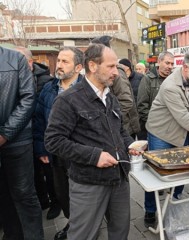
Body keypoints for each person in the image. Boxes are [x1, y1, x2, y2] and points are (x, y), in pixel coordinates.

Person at [44, 44, 136, 239]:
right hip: (88, 183)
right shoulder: (68, 100)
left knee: (120, 231)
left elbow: (119, 130)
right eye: (111, 67)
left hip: (119, 178)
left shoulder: (110, 96)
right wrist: (95, 156)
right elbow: (53, 141)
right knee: (84, 235)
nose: (116, 73)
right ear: (93, 66)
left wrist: (129, 144)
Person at [144, 48, 189, 228]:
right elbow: (182, 117)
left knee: (183, 171)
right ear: (185, 66)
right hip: (161, 133)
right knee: (156, 175)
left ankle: (173, 204)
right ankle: (150, 211)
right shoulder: (170, 86)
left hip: (180, 130)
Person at [34, 46, 85, 240]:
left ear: (78, 67)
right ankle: (73, 225)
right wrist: (41, 149)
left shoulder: (88, 89)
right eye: (59, 61)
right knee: (63, 195)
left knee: (83, 195)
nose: (59, 65)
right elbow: (39, 120)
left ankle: (87, 227)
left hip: (81, 153)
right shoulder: (49, 88)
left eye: (65, 62)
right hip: (56, 154)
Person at [0, 46, 44, 239]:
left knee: (24, 195)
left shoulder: (15, 59)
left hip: (17, 142)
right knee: (3, 198)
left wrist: (5, 134)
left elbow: (28, 99)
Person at [15, 46, 61, 220]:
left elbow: (44, 115)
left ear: (29, 62)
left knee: (49, 172)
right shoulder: (15, 78)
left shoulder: (46, 82)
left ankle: (55, 202)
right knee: (33, 173)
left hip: (42, 135)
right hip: (22, 135)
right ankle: (43, 201)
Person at [92, 36, 141, 139]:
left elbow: (126, 101)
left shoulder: (117, 73)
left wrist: (109, 119)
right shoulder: (97, 73)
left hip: (123, 128)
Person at [137, 51, 174, 140]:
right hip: (154, 129)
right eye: (167, 63)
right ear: (159, 62)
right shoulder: (147, 79)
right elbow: (142, 106)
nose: (170, 66)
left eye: (172, 64)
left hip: (171, 130)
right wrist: (155, 123)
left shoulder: (174, 79)